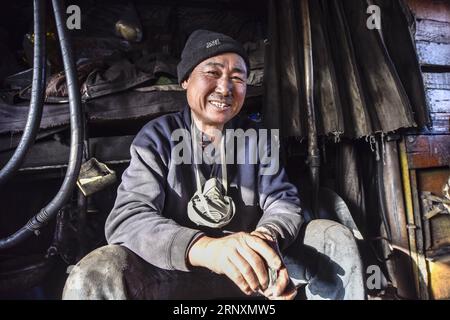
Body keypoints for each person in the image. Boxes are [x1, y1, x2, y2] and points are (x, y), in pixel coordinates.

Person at [62, 30, 365, 300]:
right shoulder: (157, 137)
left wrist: (265, 241)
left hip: (250, 278)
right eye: (213, 72)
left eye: (237, 78)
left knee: (333, 240)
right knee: (96, 271)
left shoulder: (257, 139)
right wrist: (207, 249)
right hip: (173, 277)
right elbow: (127, 219)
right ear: (185, 80)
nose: (225, 88)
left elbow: (283, 202)